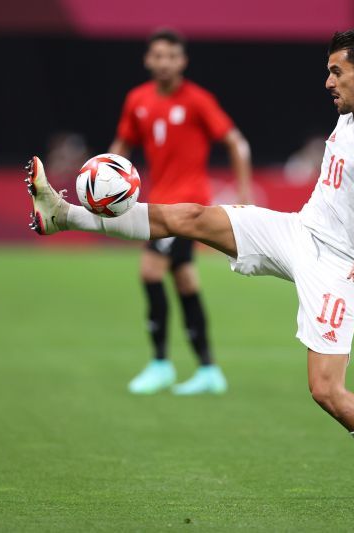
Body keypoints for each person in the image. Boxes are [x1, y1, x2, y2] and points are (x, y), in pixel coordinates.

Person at [25, 29, 354, 511]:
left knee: (326, 390)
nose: (328, 81)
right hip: (297, 231)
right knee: (189, 217)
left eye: (336, 71)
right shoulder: (349, 118)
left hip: (338, 265)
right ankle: (62, 215)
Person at [109, 29, 252, 396]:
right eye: (158, 55)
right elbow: (123, 143)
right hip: (158, 205)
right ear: (148, 60)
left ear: (182, 61)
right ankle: (208, 370)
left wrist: (244, 194)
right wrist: (105, 177)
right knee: (186, 280)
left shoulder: (198, 101)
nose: (164, 62)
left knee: (150, 271)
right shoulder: (137, 99)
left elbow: (237, 142)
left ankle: (160, 364)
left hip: (186, 208)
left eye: (171, 56)